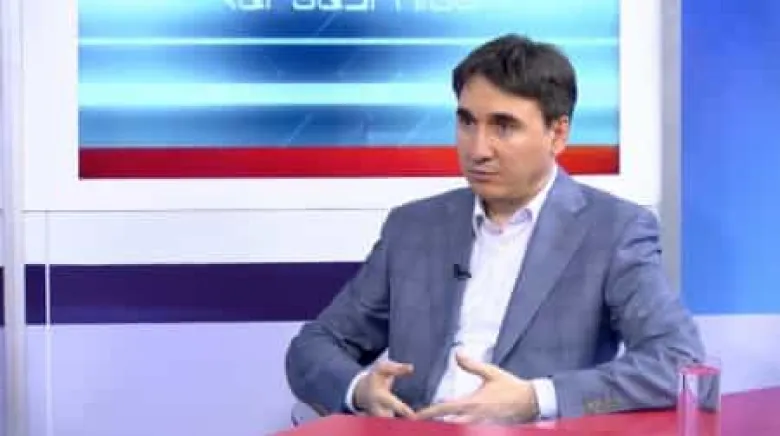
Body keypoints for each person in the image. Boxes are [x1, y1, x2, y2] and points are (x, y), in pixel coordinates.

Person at [284, 33, 705, 424]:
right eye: (467, 122)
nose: (478, 149)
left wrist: (536, 399)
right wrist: (360, 390)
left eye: (503, 126)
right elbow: (313, 346)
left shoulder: (613, 231)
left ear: (558, 133)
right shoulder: (413, 227)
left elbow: (678, 361)